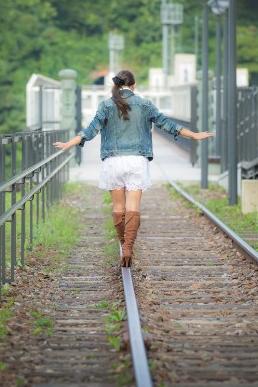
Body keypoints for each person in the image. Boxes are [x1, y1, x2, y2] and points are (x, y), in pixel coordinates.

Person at [53, 69, 212, 267]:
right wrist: (195, 135)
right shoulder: (145, 105)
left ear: (117, 85)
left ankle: (124, 245)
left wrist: (68, 144)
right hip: (137, 162)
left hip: (113, 162)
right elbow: (167, 124)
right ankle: (128, 247)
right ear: (134, 86)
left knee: (118, 209)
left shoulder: (106, 105)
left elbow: (90, 130)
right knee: (133, 208)